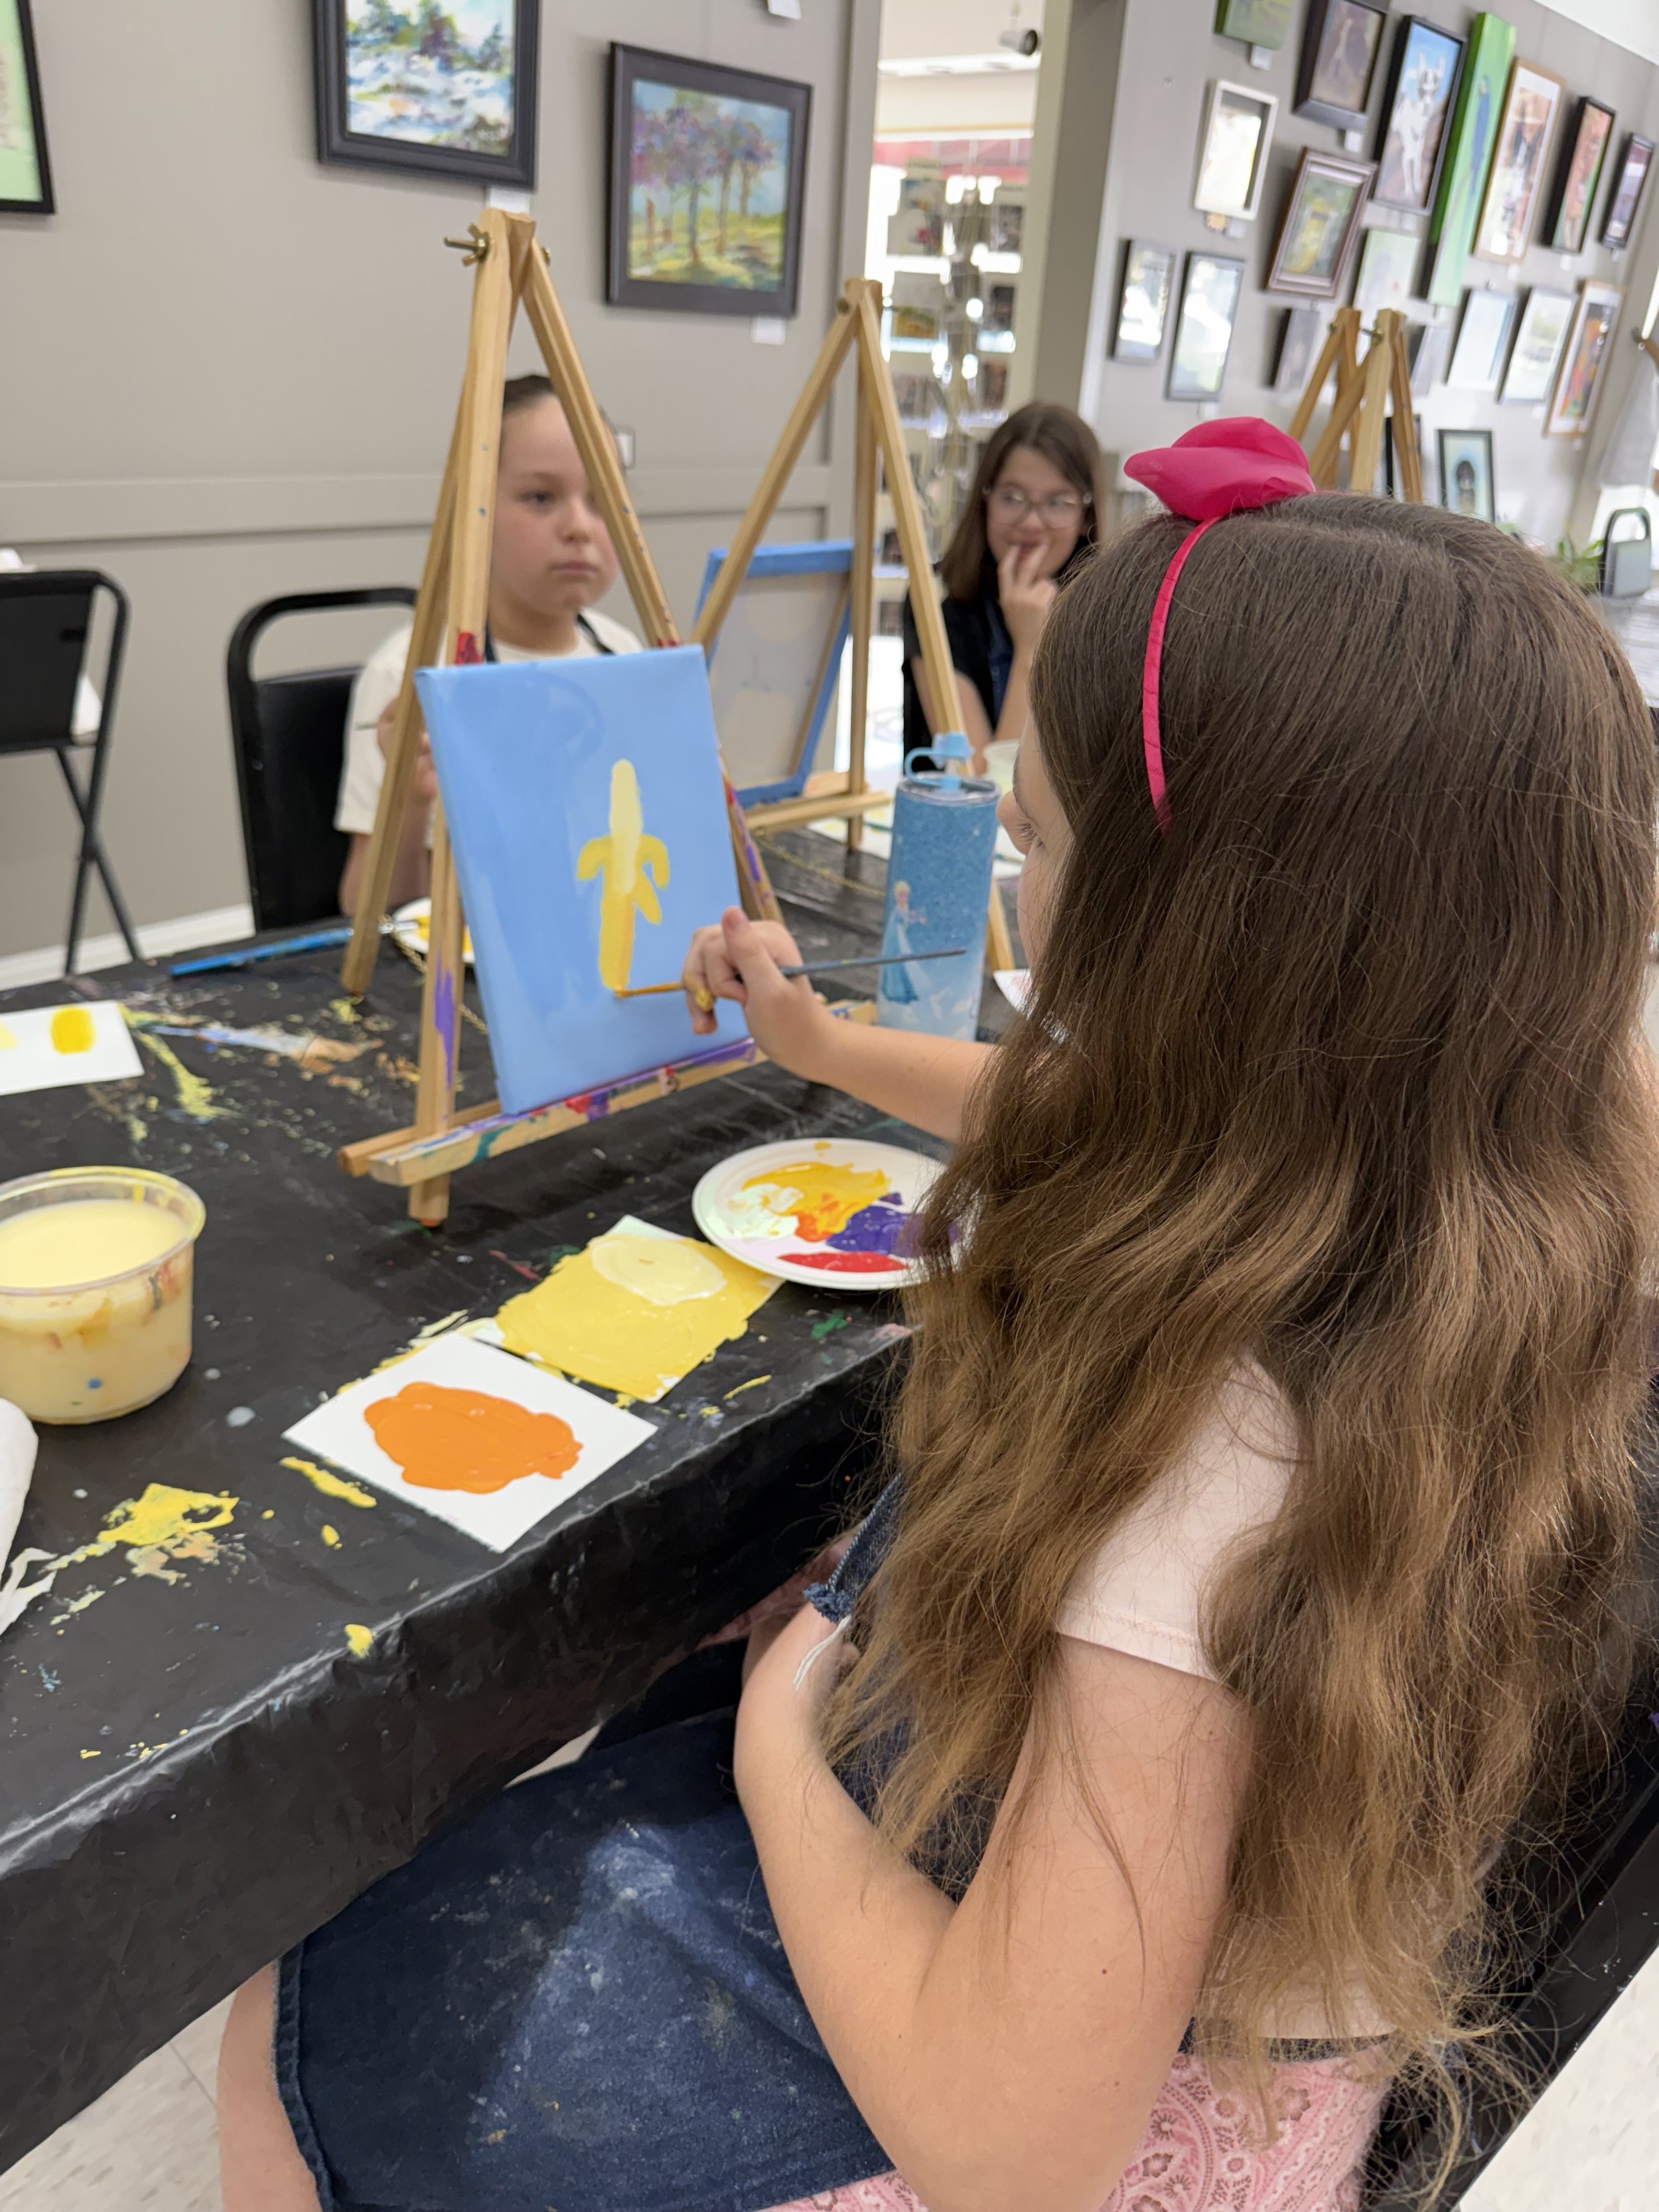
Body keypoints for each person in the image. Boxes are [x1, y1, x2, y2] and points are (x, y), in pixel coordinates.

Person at [218, 419, 1659, 2212]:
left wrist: (771, 1737)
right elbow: (1115, 1104)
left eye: (1037, 839)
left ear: (1181, 953)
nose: (1017, 890)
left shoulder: (1211, 1455)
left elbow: (1006, 2142)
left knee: (304, 2033)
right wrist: (818, 1047)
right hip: (1215, 1952)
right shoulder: (1505, 1191)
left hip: (1106, 2114)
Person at [334, 374, 642, 915]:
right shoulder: (411, 673)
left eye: (603, 499)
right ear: (472, 511)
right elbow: (371, 911)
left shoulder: (625, 656)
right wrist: (409, 798)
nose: (579, 527)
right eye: (541, 497)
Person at [902, 401, 1100, 769]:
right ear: (985, 498)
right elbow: (983, 783)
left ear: (1085, 512)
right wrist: (1029, 646)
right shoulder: (937, 605)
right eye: (1012, 498)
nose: (1031, 524)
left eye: (1057, 503)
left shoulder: (1108, 614)